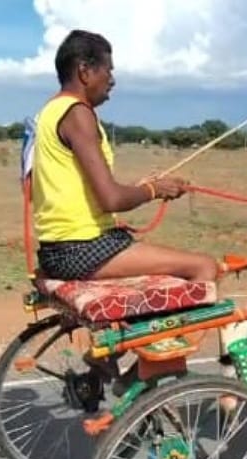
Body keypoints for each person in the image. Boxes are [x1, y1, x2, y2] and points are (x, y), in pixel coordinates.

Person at [32, 29, 218, 284]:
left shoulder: (51, 110)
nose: (112, 80)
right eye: (108, 70)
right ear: (85, 71)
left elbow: (77, 191)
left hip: (60, 248)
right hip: (79, 249)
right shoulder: (78, 114)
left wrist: (141, 188)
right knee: (205, 267)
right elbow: (111, 199)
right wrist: (153, 190)